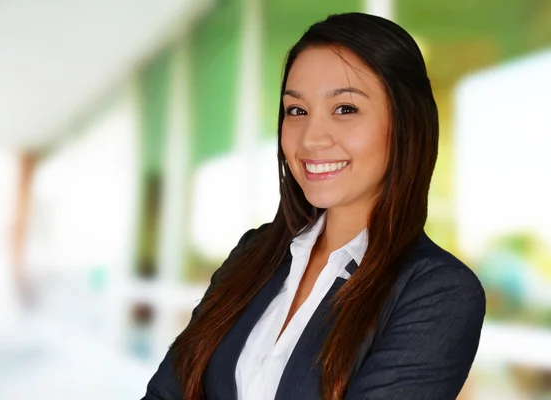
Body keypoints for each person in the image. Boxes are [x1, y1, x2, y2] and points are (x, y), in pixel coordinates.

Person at [142, 12, 486, 400]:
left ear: (406, 123)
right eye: (297, 111)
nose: (311, 138)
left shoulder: (438, 292)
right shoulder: (254, 254)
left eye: (345, 109)